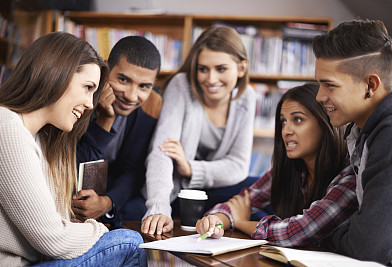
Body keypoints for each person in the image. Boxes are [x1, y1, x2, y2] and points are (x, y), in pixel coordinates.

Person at [0, 32, 146, 266]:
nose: (90, 104)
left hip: (37, 260)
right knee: (128, 242)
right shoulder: (6, 126)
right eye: (87, 87)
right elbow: (55, 239)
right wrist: (98, 229)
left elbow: (61, 224)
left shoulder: (43, 139)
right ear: (56, 73)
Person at [196, 83, 358, 248]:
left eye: (298, 119)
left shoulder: (350, 176)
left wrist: (240, 222)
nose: (286, 131)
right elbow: (243, 202)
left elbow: (298, 231)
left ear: (325, 123)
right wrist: (215, 221)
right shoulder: (291, 168)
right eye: (283, 122)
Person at [141, 25, 257, 235]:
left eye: (221, 69)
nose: (211, 79)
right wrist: (159, 208)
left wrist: (190, 169)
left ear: (241, 69)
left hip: (213, 189)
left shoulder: (247, 96)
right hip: (177, 193)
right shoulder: (182, 85)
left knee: (263, 190)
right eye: (203, 69)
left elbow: (238, 166)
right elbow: (161, 153)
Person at [313, 19, 392, 266]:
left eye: (329, 85)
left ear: (370, 85)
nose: (319, 96)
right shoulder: (359, 131)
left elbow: (368, 248)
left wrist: (330, 232)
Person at [73, 36, 162, 226]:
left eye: (144, 86)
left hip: (110, 195)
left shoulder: (147, 117)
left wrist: (107, 203)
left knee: (138, 210)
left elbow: (133, 173)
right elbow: (75, 167)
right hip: (71, 189)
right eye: (123, 79)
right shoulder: (78, 103)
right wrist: (106, 119)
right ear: (105, 69)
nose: (131, 96)